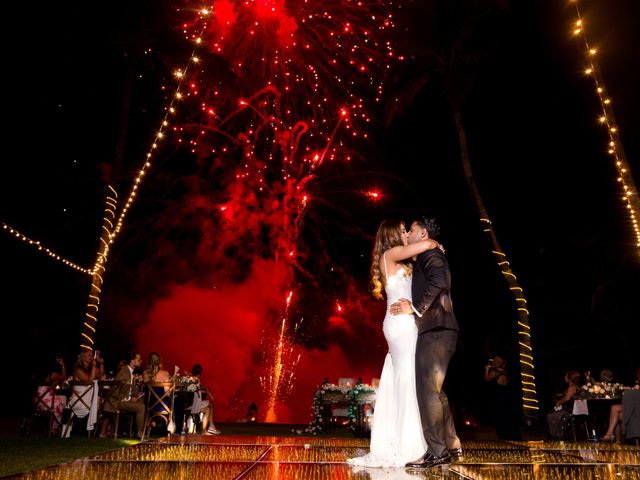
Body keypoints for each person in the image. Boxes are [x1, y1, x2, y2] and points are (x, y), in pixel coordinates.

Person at [347, 219, 441, 468]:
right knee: (409, 379)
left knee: (404, 378)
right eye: (402, 231)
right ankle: (410, 444)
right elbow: (427, 243)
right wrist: (435, 244)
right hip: (401, 325)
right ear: (391, 235)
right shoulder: (391, 253)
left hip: (400, 322)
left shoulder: (398, 259)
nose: (406, 235)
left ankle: (402, 439)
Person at [391, 217, 462, 469]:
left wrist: (415, 307)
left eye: (411, 229)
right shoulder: (425, 255)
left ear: (423, 234)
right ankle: (451, 446)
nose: (408, 233)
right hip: (440, 330)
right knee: (435, 392)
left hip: (436, 330)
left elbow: (439, 283)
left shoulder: (430, 254)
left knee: (427, 392)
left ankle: (437, 452)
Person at [104, 351, 146, 439]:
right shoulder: (124, 372)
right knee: (141, 407)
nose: (141, 361)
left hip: (123, 399)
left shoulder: (131, 372)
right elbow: (115, 391)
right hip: (116, 402)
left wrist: (137, 389)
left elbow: (128, 389)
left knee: (142, 400)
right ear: (132, 361)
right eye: (139, 359)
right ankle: (139, 433)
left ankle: (136, 431)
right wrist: (130, 398)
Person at [484, 355, 522, 440]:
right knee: (508, 417)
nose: (494, 362)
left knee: (500, 418)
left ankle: (503, 436)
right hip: (507, 398)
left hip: (499, 398)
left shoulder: (494, 373)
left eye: (496, 361)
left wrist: (487, 370)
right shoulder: (506, 372)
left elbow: (486, 380)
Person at [189, 363, 221, 434]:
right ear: (200, 372)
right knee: (209, 404)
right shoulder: (196, 379)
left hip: (190, 403)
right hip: (193, 405)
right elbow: (196, 390)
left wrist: (206, 390)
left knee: (208, 408)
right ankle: (209, 428)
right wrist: (208, 392)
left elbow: (197, 389)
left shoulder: (190, 378)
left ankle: (208, 429)